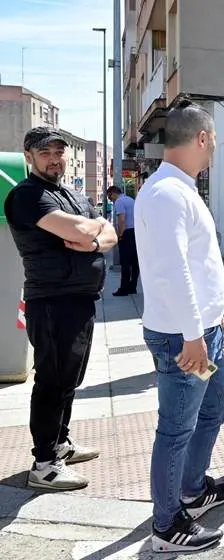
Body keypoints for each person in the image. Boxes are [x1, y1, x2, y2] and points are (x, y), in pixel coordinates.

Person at [136, 100, 224, 552]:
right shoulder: (167, 194)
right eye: (213, 141)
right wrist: (195, 336)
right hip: (183, 338)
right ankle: (166, 525)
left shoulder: (178, 188)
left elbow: (196, 267)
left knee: (217, 406)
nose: (213, 150)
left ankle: (192, 490)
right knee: (175, 428)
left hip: (200, 332)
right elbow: (172, 271)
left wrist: (211, 324)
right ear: (201, 138)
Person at [5, 127, 118, 490]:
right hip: (52, 301)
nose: (54, 158)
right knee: (52, 380)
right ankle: (44, 464)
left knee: (71, 379)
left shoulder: (71, 193)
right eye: (44, 153)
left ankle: (61, 444)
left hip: (81, 299)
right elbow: (87, 228)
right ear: (29, 157)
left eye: (59, 151)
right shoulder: (27, 196)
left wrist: (96, 236)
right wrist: (93, 233)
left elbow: (108, 231)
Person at [106, 186, 139, 296]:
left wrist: (120, 235)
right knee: (134, 262)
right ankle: (133, 287)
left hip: (127, 233)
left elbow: (122, 219)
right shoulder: (131, 200)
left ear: (113, 193)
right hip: (136, 232)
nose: (110, 199)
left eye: (109, 196)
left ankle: (124, 288)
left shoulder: (119, 202)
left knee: (125, 262)